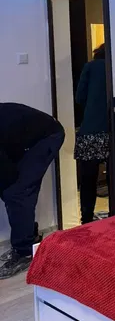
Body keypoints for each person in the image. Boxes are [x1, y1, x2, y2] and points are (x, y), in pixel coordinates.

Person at [0, 103, 64, 279]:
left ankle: (24, 253)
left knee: (17, 193)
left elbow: (7, 175)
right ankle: (29, 235)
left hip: (47, 135)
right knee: (13, 191)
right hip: (24, 138)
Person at [75, 43, 109, 225]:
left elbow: (80, 97)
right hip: (114, 128)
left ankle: (86, 218)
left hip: (91, 129)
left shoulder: (90, 67)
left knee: (88, 178)